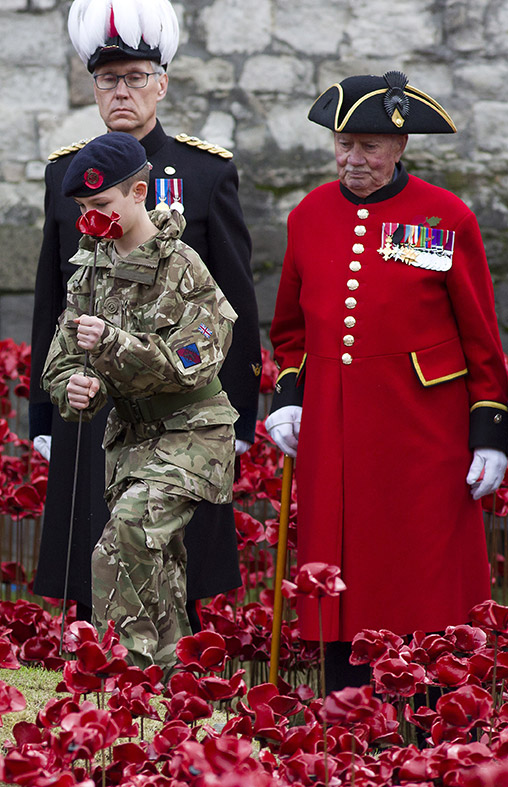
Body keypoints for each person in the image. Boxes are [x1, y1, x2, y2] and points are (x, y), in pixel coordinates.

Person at [266, 71, 507, 690]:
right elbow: (289, 330)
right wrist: (289, 399)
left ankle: (433, 709)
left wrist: (491, 433)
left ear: (400, 147)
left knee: (421, 565)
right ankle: (347, 703)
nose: (354, 159)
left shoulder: (445, 217)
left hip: (424, 428)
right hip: (335, 427)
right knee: (339, 561)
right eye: (344, 144)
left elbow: (481, 335)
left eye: (369, 146)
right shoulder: (308, 215)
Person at [29, 0, 259, 632]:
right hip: (93, 397)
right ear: (92, 86)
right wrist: (44, 411)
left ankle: (176, 670)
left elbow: (233, 303)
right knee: (92, 548)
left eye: (135, 77)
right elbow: (53, 297)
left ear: (163, 81)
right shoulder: (63, 175)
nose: (122, 91)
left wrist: (240, 416)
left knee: (171, 551)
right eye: (109, 79)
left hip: (179, 405)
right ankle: (100, 666)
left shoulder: (206, 172)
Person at [42, 131, 238, 672]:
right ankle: (176, 682)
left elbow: (194, 362)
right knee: (157, 565)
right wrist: (76, 388)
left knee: (124, 533)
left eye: (101, 205)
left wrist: (111, 344)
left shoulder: (184, 268)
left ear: (139, 192)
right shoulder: (89, 270)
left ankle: (118, 673)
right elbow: (60, 361)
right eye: (82, 209)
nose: (90, 220)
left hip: (195, 431)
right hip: (132, 438)